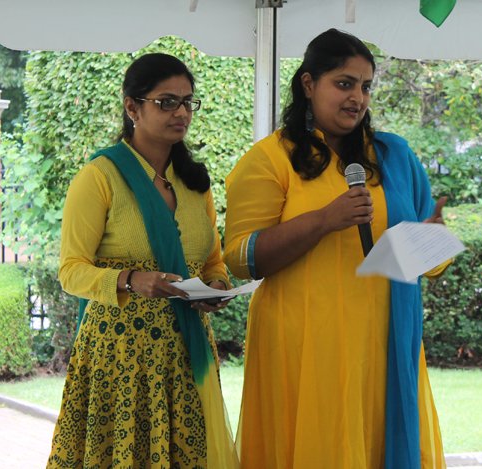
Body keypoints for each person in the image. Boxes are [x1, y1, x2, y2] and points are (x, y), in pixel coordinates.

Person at [223, 29, 450, 469]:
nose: (357, 98)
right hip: (306, 347)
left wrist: (433, 239)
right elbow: (242, 257)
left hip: (385, 344)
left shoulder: (394, 155)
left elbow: (428, 263)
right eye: (344, 83)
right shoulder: (271, 158)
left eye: (366, 86)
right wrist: (324, 220)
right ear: (308, 84)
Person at [47, 53, 239, 469]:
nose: (182, 112)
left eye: (188, 102)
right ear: (132, 107)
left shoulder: (194, 182)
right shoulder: (100, 176)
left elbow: (213, 262)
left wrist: (218, 287)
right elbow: (70, 270)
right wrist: (131, 280)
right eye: (167, 102)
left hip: (186, 352)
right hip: (120, 355)